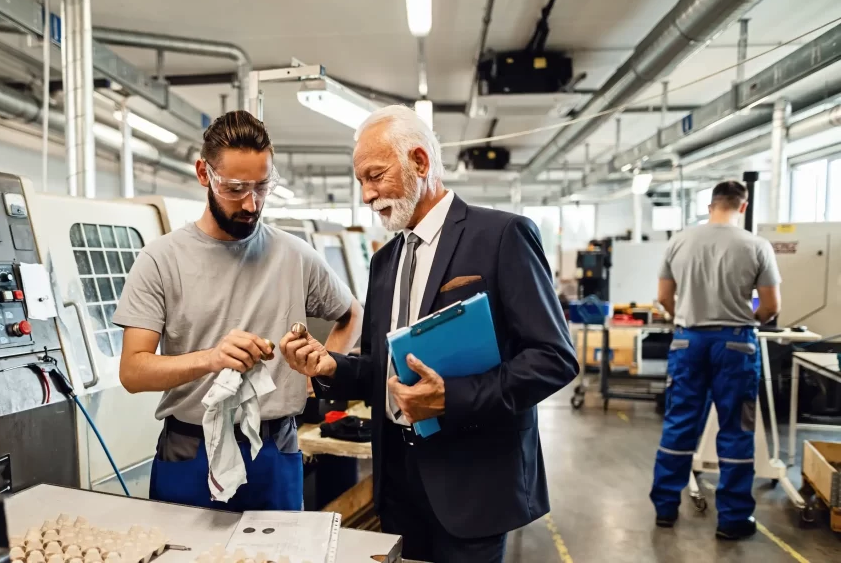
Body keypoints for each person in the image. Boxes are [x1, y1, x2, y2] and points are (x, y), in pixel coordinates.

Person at [279, 105, 578, 563]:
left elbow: (554, 358)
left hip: (473, 483)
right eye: (360, 181)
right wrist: (330, 367)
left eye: (375, 176)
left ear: (420, 162)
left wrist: (451, 398)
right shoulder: (385, 262)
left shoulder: (502, 236)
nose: (367, 194)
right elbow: (385, 369)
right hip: (399, 483)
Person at [113, 111, 362, 511]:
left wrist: (322, 370)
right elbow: (133, 371)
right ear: (203, 173)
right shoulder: (160, 260)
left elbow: (352, 313)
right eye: (235, 188)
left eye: (262, 186)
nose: (251, 203)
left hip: (274, 450)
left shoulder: (294, 255)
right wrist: (210, 359)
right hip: (190, 450)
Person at [649, 180, 781, 540]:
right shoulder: (756, 245)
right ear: (743, 206)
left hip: (687, 342)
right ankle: (733, 520)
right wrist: (743, 321)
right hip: (735, 345)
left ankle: (664, 509)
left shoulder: (680, 240)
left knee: (679, 424)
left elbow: (663, 296)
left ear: (711, 205)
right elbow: (771, 307)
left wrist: (688, 320)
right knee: (736, 430)